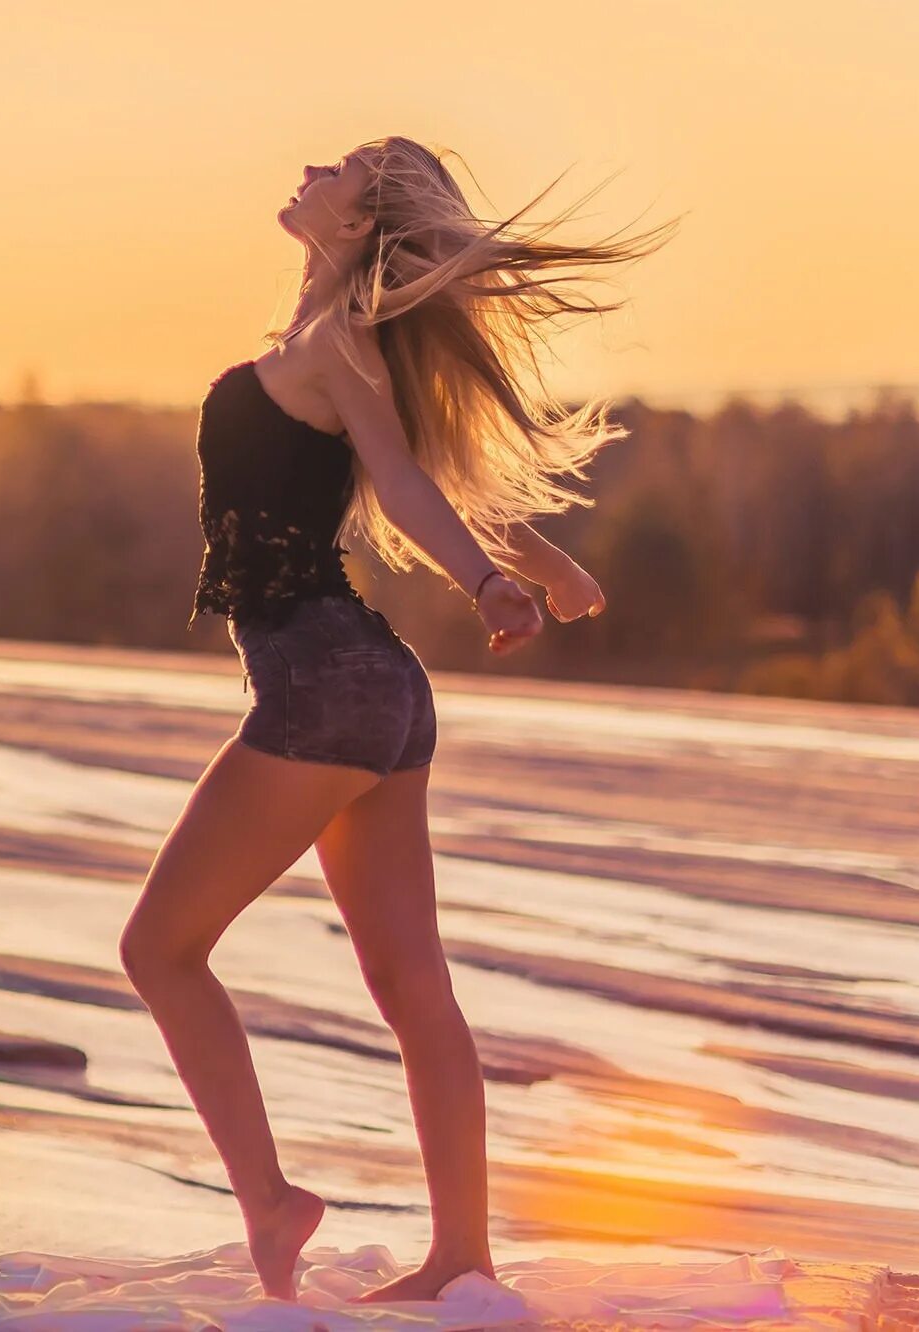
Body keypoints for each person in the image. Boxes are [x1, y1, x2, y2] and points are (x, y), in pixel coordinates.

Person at [118, 136, 679, 1304]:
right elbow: (418, 467)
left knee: (158, 950)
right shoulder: (334, 347)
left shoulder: (331, 347)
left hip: (325, 685)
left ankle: (272, 1206)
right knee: (412, 989)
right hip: (376, 695)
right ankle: (458, 1260)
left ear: (363, 217)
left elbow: (407, 481)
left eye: (341, 165)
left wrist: (483, 585)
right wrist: (534, 558)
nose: (307, 167)